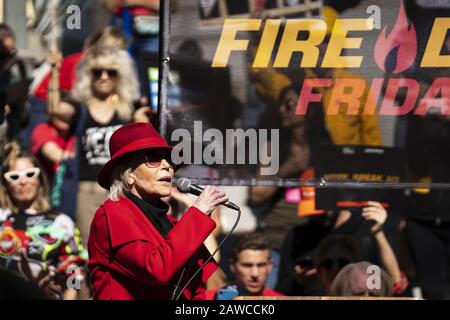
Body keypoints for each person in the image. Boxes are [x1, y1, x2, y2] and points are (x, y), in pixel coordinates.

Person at [88, 122, 229, 300]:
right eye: (153, 158)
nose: (167, 166)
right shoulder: (111, 213)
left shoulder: (172, 224)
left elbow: (194, 286)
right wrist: (197, 215)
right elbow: (156, 269)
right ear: (128, 173)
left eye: (169, 159)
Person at [72, 45, 145, 246]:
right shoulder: (80, 109)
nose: (104, 77)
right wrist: (53, 71)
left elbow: (144, 143)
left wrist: (140, 121)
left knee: (124, 245)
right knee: (90, 246)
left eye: (111, 72)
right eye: (97, 71)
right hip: (87, 190)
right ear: (89, 75)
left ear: (119, 75)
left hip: (121, 187)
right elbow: (52, 112)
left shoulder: (129, 109)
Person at [0, 142, 87, 300]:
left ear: (40, 178)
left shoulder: (62, 223)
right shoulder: (1, 219)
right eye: (14, 176)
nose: (23, 181)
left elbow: (73, 270)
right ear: (6, 183)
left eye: (30, 174)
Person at [205, 232, 284, 299]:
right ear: (233, 266)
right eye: (247, 265)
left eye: (261, 265)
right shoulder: (207, 298)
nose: (255, 274)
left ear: (270, 265)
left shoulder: (281, 299)